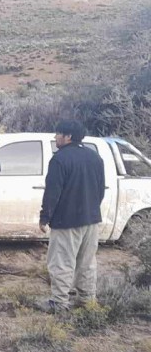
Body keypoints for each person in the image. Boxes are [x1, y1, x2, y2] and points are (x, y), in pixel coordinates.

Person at [37, 120, 105, 313]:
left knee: (62, 262)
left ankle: (59, 303)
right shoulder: (94, 157)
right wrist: (91, 209)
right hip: (91, 220)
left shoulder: (59, 160)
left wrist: (45, 217)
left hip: (66, 221)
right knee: (87, 262)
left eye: (58, 133)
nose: (55, 137)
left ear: (68, 137)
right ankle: (87, 300)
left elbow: (52, 193)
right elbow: (100, 190)